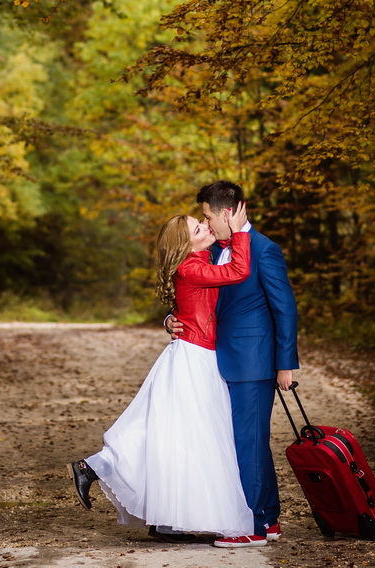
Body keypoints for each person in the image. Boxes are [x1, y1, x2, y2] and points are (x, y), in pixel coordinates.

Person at [68, 204, 260, 544]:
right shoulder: (190, 265)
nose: (205, 226)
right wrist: (242, 231)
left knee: (172, 436)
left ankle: (113, 480)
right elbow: (237, 272)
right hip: (193, 357)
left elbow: (194, 302)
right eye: (198, 229)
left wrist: (171, 317)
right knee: (190, 436)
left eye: (203, 223)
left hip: (196, 353)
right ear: (185, 245)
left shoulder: (198, 261)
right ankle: (99, 469)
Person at [166, 180, 299, 547]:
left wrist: (285, 364)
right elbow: (196, 295)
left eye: (208, 215)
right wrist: (170, 320)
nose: (206, 224)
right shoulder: (214, 250)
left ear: (227, 212)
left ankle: (253, 528)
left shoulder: (262, 249)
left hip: (252, 362)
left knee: (247, 442)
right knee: (248, 442)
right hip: (219, 360)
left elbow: (284, 307)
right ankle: (268, 520)